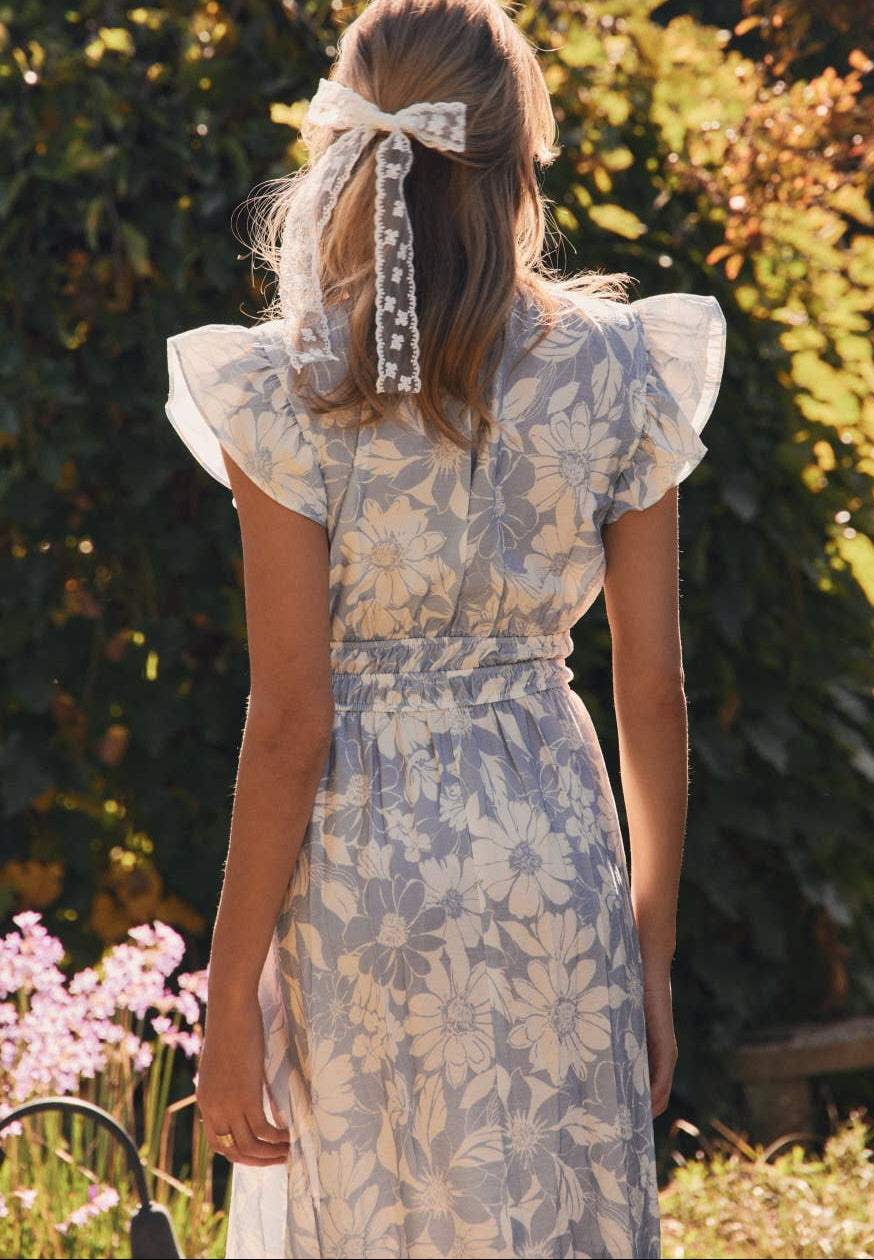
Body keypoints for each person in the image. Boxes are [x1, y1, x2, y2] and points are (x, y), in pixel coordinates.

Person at [163, 0, 726, 1256]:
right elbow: (653, 689)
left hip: (362, 882)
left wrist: (228, 994)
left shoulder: (291, 385)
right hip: (553, 866)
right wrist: (649, 948)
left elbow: (291, 722)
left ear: (345, 152)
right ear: (522, 154)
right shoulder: (623, 366)